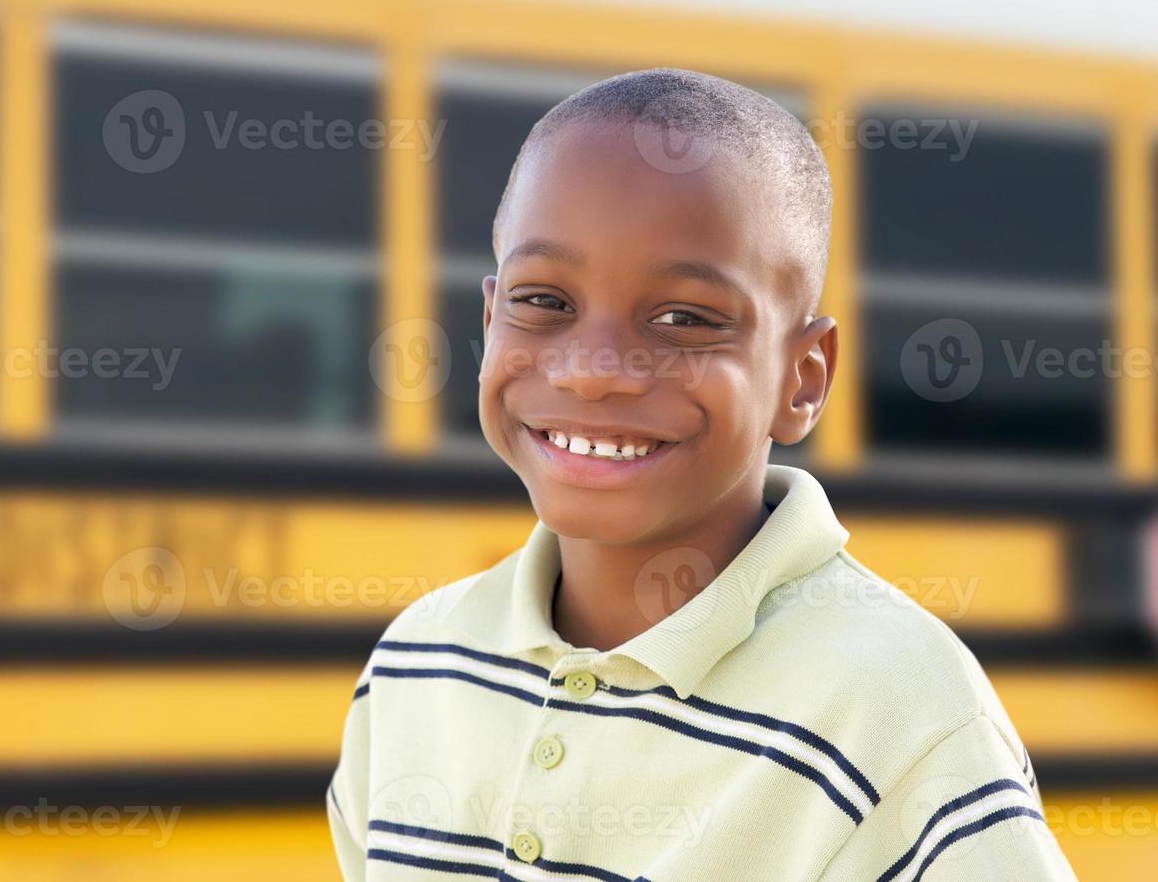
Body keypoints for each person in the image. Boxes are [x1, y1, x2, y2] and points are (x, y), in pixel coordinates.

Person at [327, 68, 1076, 881]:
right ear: (488, 318)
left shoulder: (900, 712)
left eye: (684, 319)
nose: (593, 371)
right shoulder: (417, 662)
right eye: (543, 301)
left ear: (804, 377)